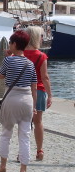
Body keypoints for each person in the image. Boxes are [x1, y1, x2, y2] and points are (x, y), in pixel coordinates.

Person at [0, 30, 37, 172]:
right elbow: (34, 86)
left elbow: (0, 76)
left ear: (14, 44)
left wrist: (7, 58)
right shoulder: (30, 64)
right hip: (27, 100)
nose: (9, 45)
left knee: (6, 133)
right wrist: (35, 106)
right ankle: (23, 170)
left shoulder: (8, 60)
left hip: (11, 98)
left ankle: (3, 166)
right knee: (25, 136)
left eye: (10, 43)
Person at [24, 26, 52, 161]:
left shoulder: (19, 54)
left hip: (22, 91)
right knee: (38, 122)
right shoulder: (41, 56)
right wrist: (50, 95)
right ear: (36, 38)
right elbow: (45, 77)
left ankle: (23, 152)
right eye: (41, 36)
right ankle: (39, 150)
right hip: (39, 91)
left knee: (24, 123)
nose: (42, 38)